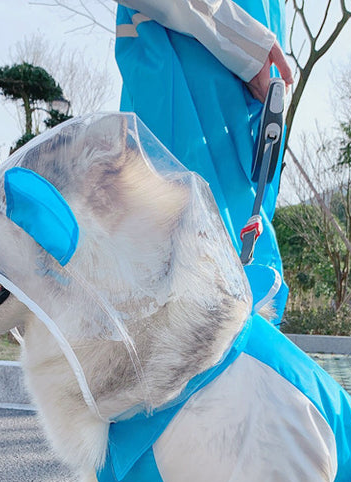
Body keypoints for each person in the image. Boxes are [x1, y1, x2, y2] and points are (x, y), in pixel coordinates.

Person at [114, 0, 293, 319]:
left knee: (239, 287)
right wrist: (246, 44)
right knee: (184, 291)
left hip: (241, 100)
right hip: (189, 79)